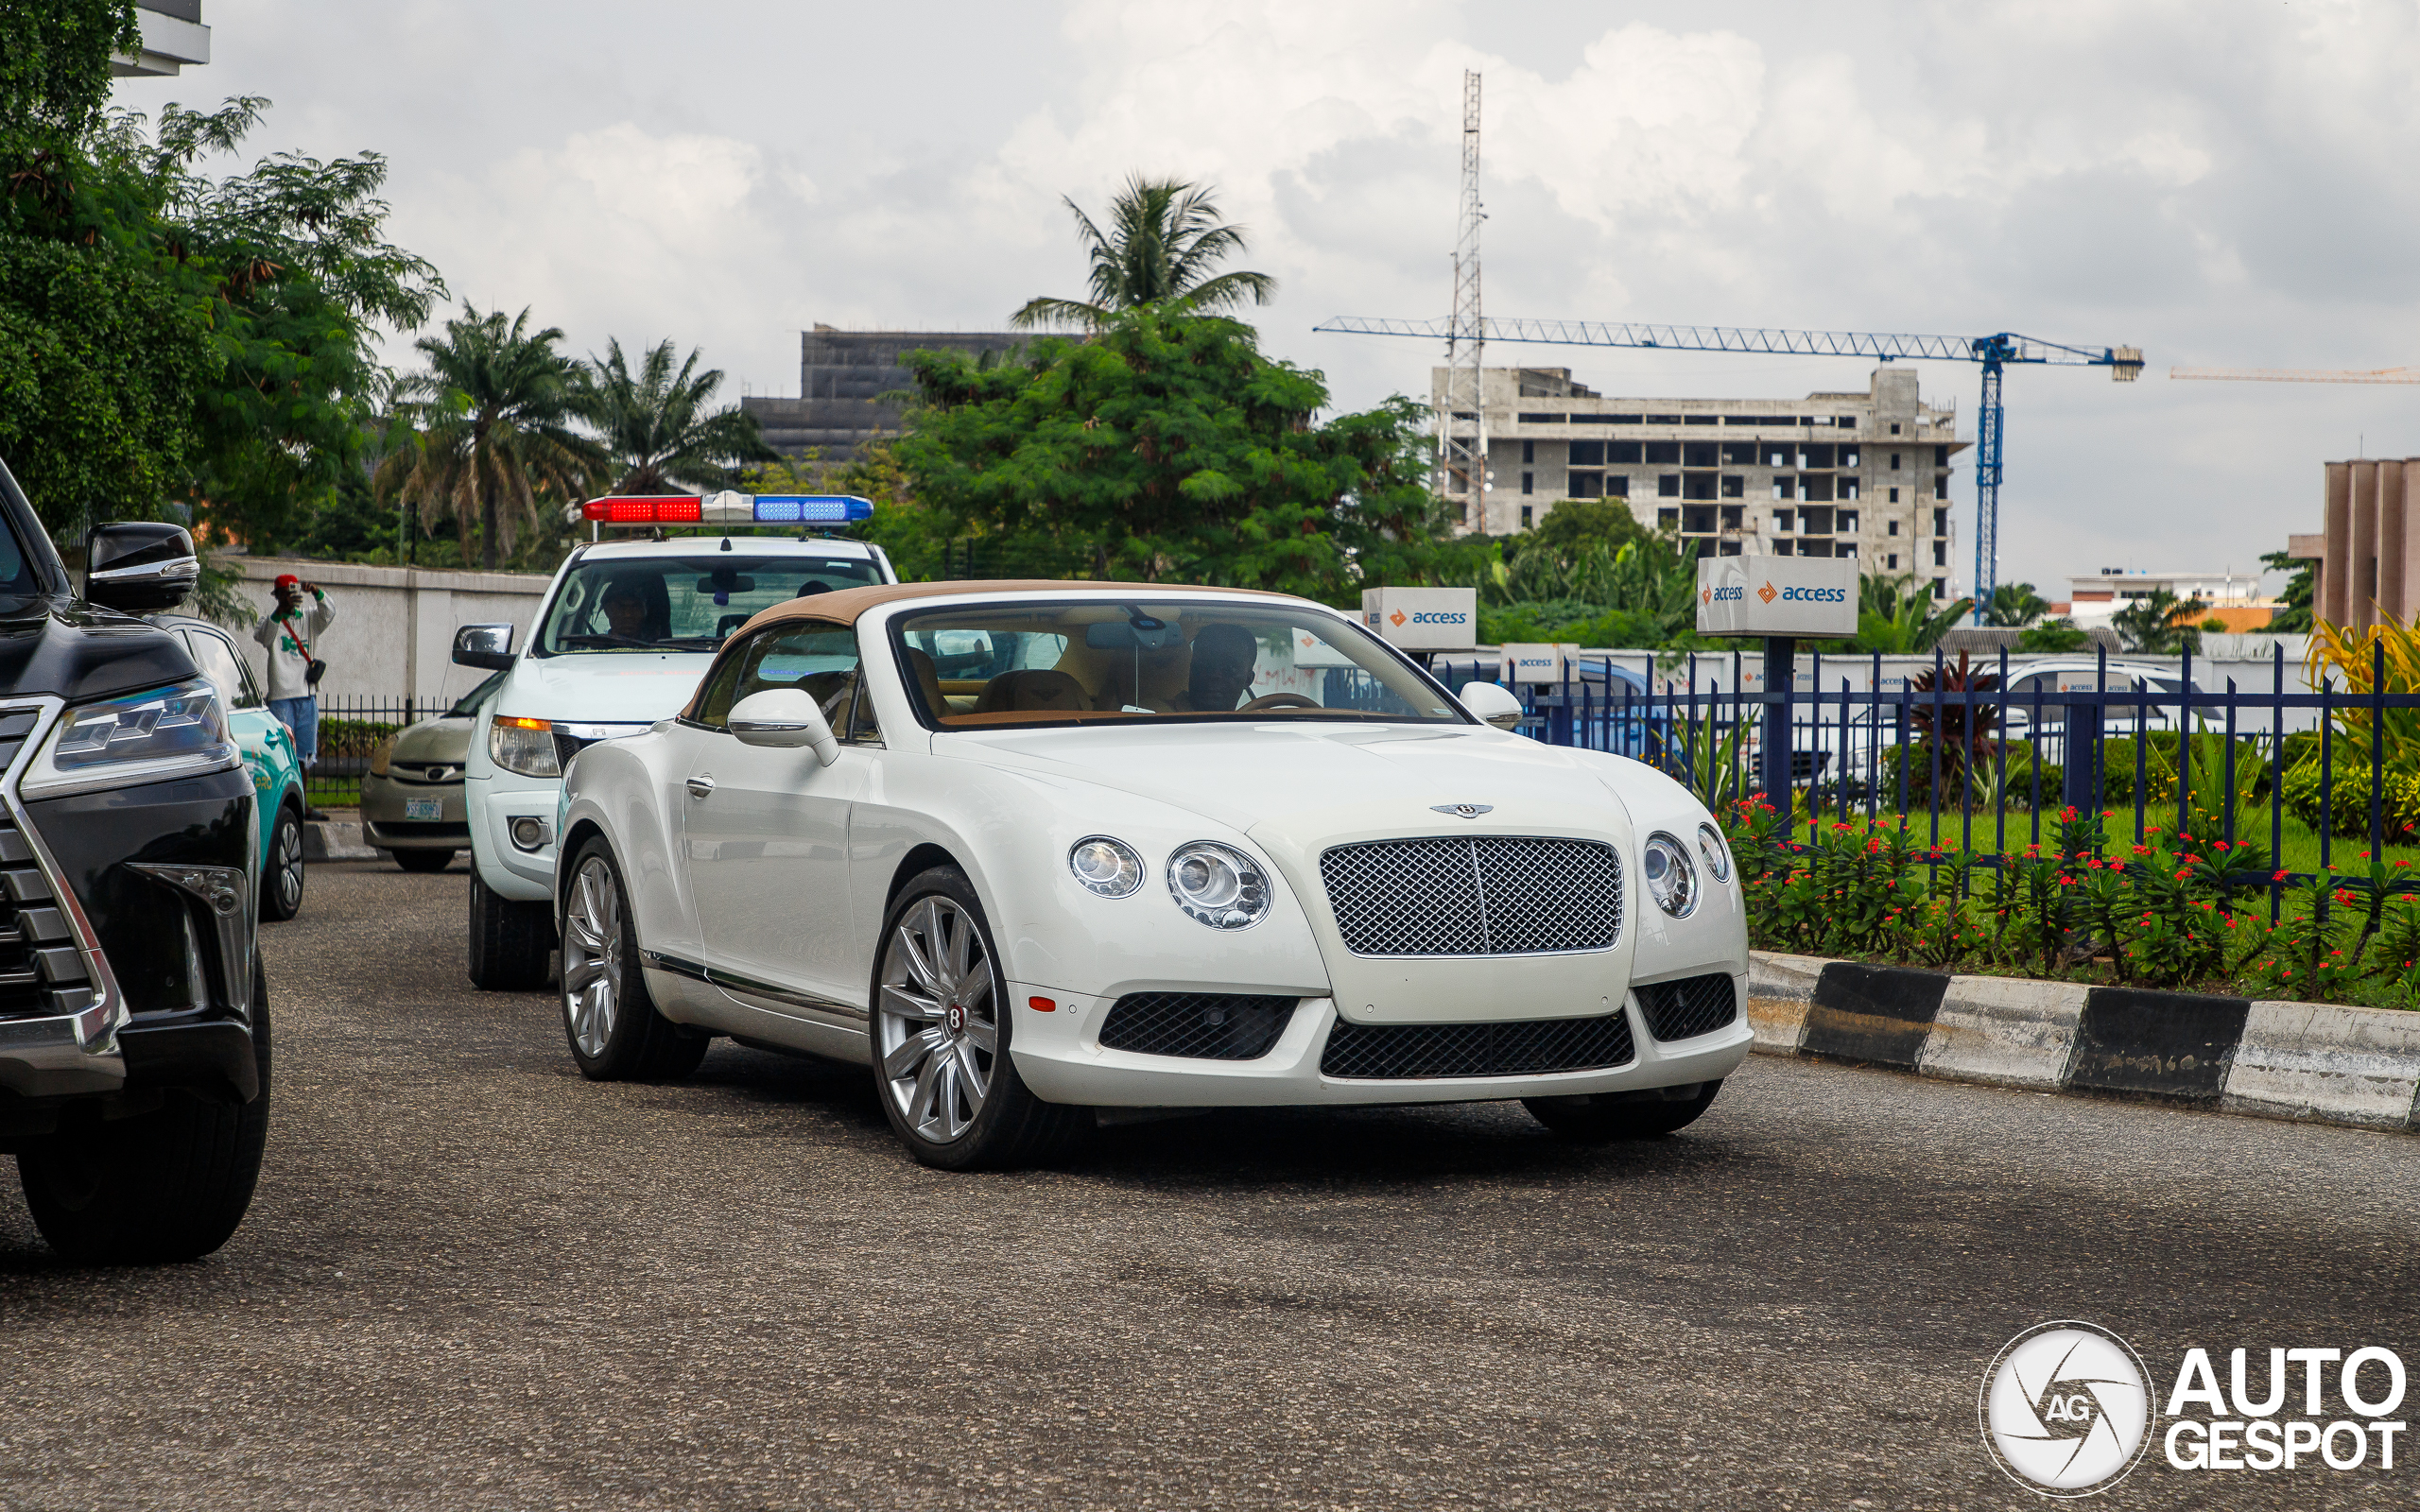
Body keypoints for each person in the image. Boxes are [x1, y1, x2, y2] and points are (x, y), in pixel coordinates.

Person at [253, 574, 336, 819]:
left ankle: (302, 803)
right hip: (281, 696)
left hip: (306, 695)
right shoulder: (271, 621)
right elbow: (263, 637)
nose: (290, 598)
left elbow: (329, 612)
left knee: (305, 756)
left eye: (293, 593)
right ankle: (281, 803)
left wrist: (317, 591)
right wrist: (280, 611)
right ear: (278, 596)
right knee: (283, 752)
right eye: (285, 594)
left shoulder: (309, 618)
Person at [1173, 624, 1260, 712]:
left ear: (1248, 679)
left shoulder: (1259, 722)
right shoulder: (1162, 715)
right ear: (1191, 669)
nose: (1215, 675)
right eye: (1206, 665)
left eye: (1229, 668)